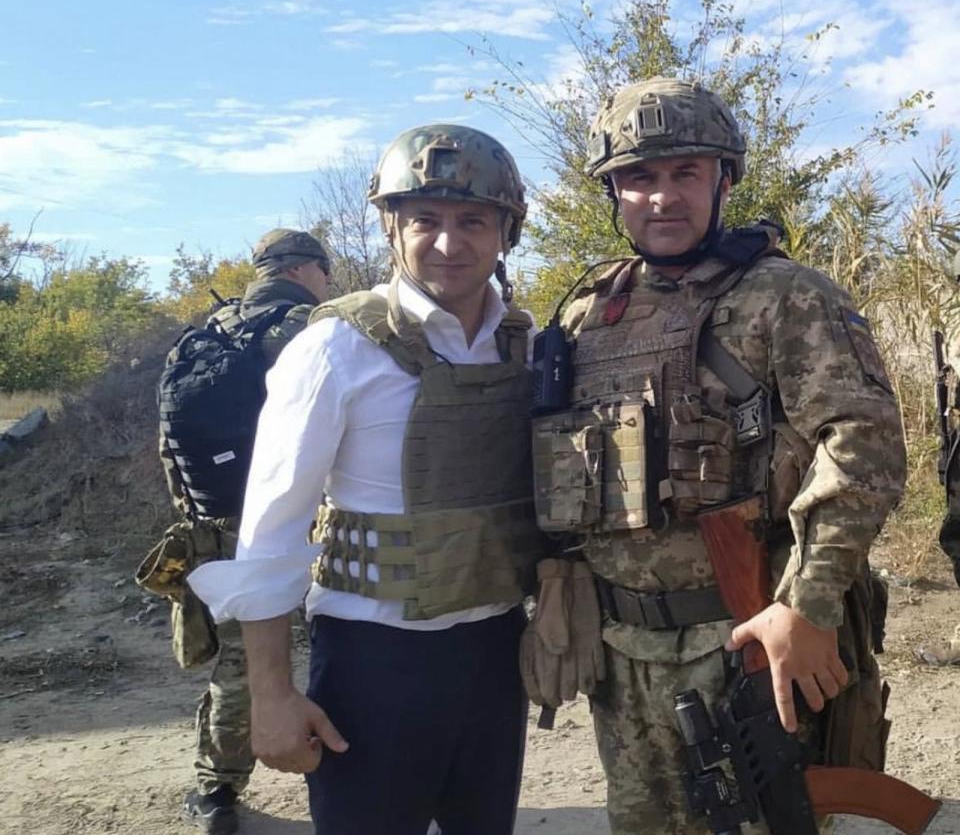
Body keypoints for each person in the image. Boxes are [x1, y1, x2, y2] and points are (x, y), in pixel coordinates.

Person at [530, 77, 906, 833]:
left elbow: (864, 446)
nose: (662, 198)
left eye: (685, 174)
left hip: (754, 639)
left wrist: (809, 603)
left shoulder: (785, 297)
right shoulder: (584, 315)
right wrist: (555, 587)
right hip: (624, 653)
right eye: (639, 177)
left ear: (723, 180)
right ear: (613, 192)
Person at [189, 124, 542, 835]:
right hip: (374, 662)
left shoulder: (526, 347)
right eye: (425, 221)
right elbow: (272, 528)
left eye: (472, 221)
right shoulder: (335, 348)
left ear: (506, 231)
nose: (448, 243)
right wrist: (272, 694)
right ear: (391, 227)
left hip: (494, 654)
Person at [158, 228, 330, 835]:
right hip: (307, 519)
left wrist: (199, 517)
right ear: (308, 270)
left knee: (239, 663)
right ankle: (352, 769)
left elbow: (170, 441)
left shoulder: (203, 334)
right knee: (343, 643)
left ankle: (216, 793)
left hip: (217, 520)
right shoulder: (309, 325)